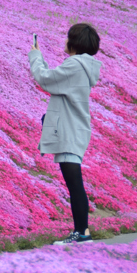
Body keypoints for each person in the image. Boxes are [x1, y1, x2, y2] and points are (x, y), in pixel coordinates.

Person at [30, 23, 102, 245]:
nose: (65, 42)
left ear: (74, 42)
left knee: (74, 183)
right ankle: (82, 232)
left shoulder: (74, 65)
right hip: (73, 128)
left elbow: (45, 78)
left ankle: (81, 233)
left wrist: (35, 55)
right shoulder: (83, 65)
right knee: (74, 183)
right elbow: (55, 80)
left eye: (67, 38)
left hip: (70, 131)